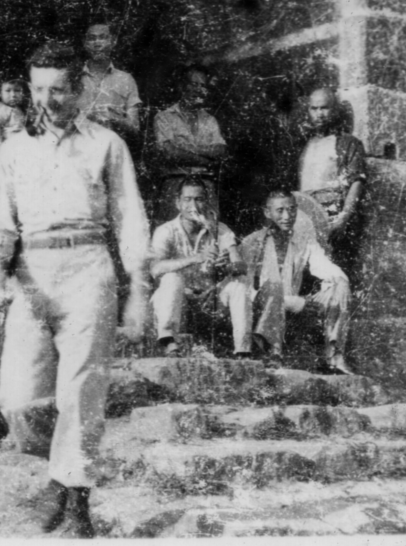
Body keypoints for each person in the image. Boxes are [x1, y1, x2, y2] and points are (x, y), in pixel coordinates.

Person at [0, 41, 149, 538]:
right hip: (31, 270)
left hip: (88, 267)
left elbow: (131, 219)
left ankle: (77, 499)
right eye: (38, 89)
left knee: (82, 388)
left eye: (58, 89)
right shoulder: (14, 148)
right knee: (16, 398)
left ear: (78, 90)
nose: (46, 99)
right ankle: (61, 470)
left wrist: (137, 290)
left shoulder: (106, 144)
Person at [242, 191, 353, 374]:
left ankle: (334, 356)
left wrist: (341, 280)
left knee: (339, 286)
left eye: (292, 210)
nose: (287, 216)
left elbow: (323, 265)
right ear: (267, 212)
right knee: (273, 288)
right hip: (261, 307)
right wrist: (286, 301)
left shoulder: (303, 241)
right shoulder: (252, 242)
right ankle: (272, 354)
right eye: (280, 210)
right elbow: (243, 288)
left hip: (292, 305)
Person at [150, 177, 252, 358]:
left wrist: (228, 265)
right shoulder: (165, 231)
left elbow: (241, 266)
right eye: (187, 200)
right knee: (172, 278)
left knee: (239, 283)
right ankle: (169, 342)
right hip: (179, 302)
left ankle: (243, 351)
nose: (193, 206)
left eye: (199, 199)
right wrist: (195, 258)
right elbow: (155, 268)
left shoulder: (220, 229)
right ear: (177, 202)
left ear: (206, 201)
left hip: (210, 299)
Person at [296, 88, 367, 281]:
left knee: (334, 273)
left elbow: (356, 182)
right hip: (304, 216)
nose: (319, 114)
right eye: (314, 108)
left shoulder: (347, 143)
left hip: (331, 215)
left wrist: (343, 218)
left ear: (335, 110)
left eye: (325, 108)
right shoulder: (304, 144)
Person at [153, 65, 227, 223]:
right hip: (175, 184)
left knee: (208, 235)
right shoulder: (164, 117)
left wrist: (185, 147)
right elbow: (170, 152)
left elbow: (220, 151)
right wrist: (206, 160)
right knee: (173, 235)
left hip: (205, 185)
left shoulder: (210, 120)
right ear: (182, 86)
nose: (198, 90)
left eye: (203, 86)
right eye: (194, 84)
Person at [77, 21, 142, 140]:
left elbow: (135, 128)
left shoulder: (125, 79)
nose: (97, 43)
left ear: (113, 42)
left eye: (102, 37)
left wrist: (115, 119)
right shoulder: (73, 78)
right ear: (85, 44)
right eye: (92, 38)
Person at [0, 78, 27, 152]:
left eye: (17, 90)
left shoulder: (19, 109)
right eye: (8, 91)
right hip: (2, 147)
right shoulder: (1, 109)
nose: (13, 95)